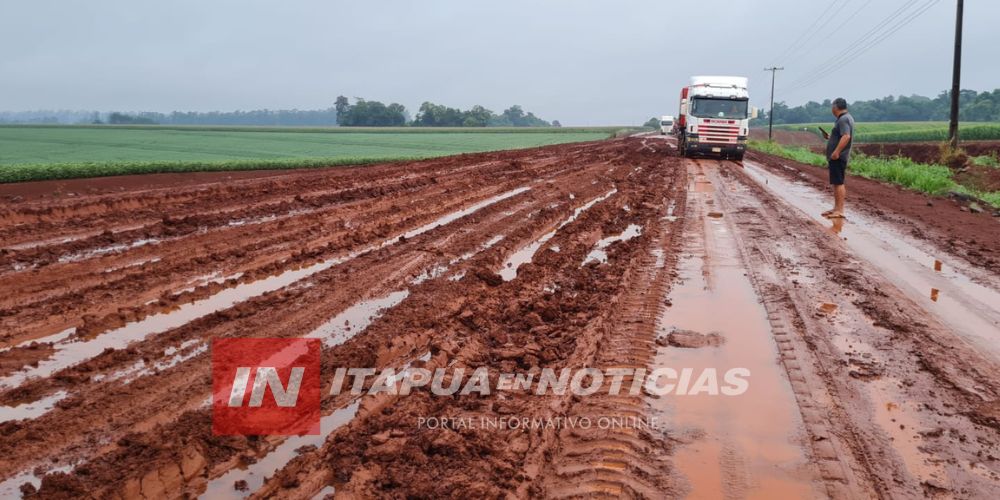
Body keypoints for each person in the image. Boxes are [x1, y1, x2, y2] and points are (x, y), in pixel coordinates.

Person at [820, 98, 854, 219]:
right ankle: (836, 208)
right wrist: (830, 137)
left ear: (835, 107)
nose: (831, 109)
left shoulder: (843, 119)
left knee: (839, 182)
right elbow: (841, 136)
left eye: (832, 106)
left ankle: (839, 210)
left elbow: (846, 136)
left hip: (839, 157)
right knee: (836, 182)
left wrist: (836, 152)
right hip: (837, 156)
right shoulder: (844, 118)